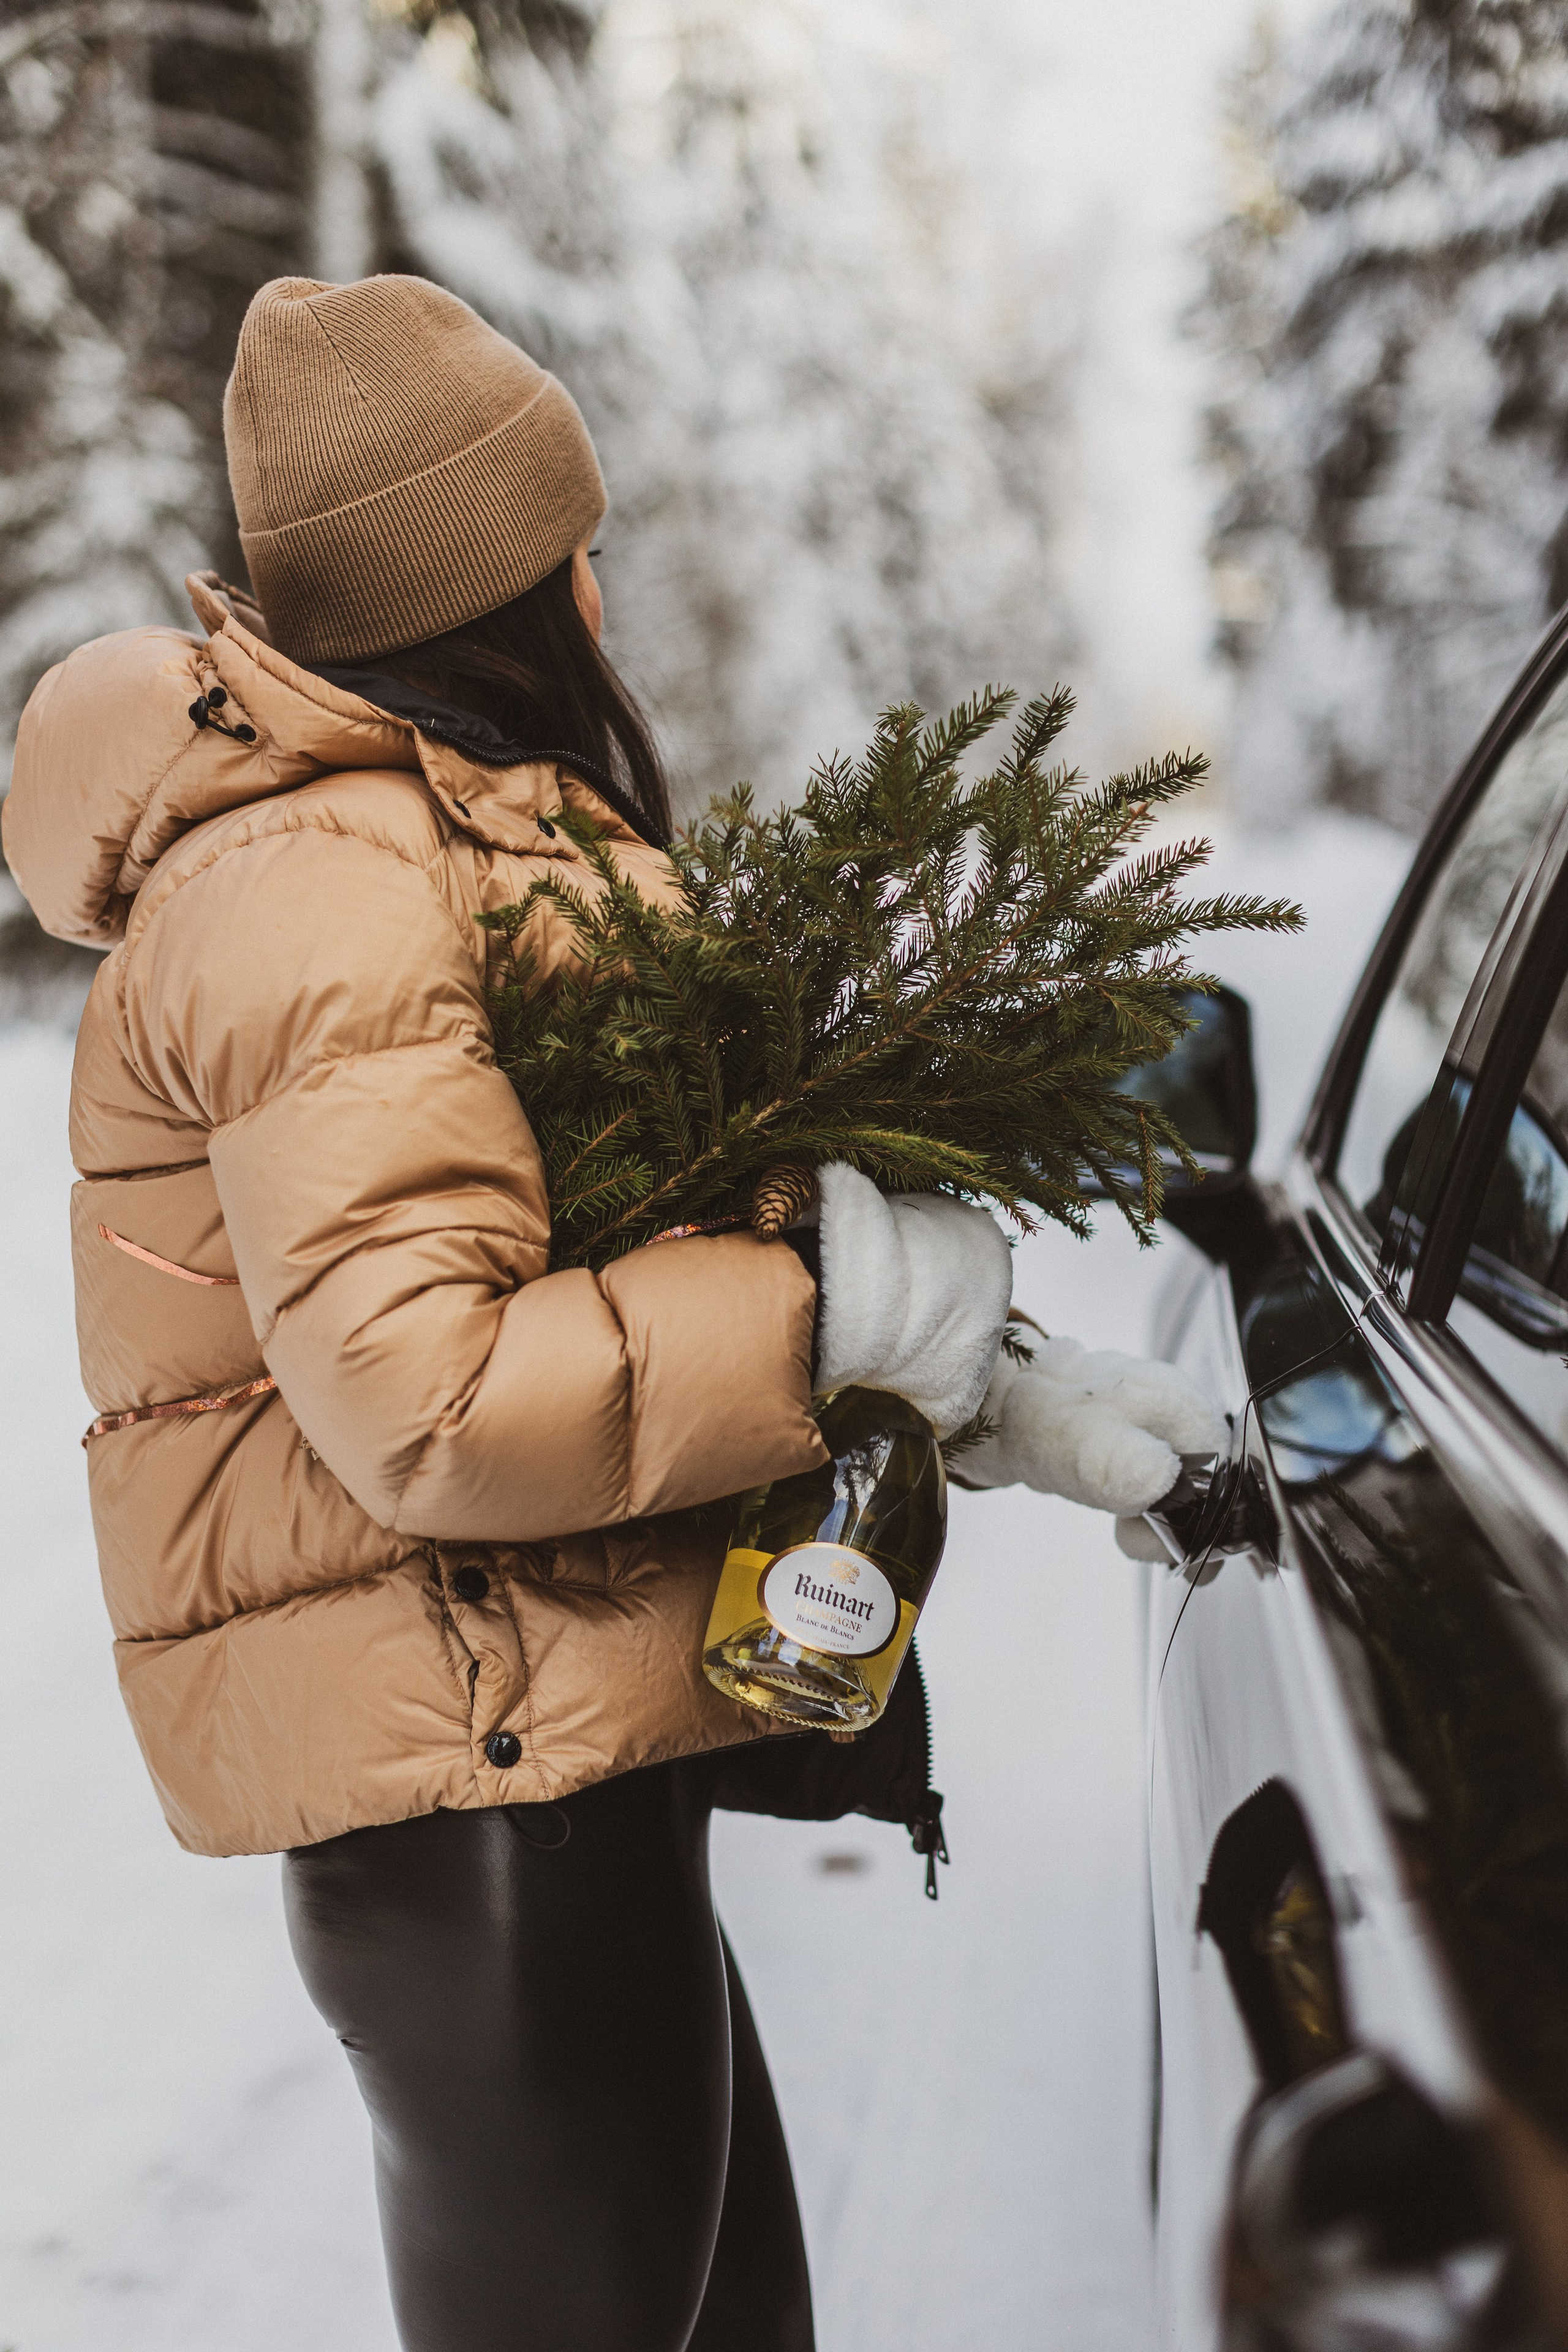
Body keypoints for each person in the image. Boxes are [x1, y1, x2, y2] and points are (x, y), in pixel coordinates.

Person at [2, 275, 1219, 2352]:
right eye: (573, 545)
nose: (598, 585)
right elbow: (436, 1397)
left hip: (546, 1796)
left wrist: (978, 1376)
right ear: (489, 579)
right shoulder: (320, 879)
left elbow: (622, 1242)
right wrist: (835, 1314)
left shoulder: (452, 842)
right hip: (484, 1820)